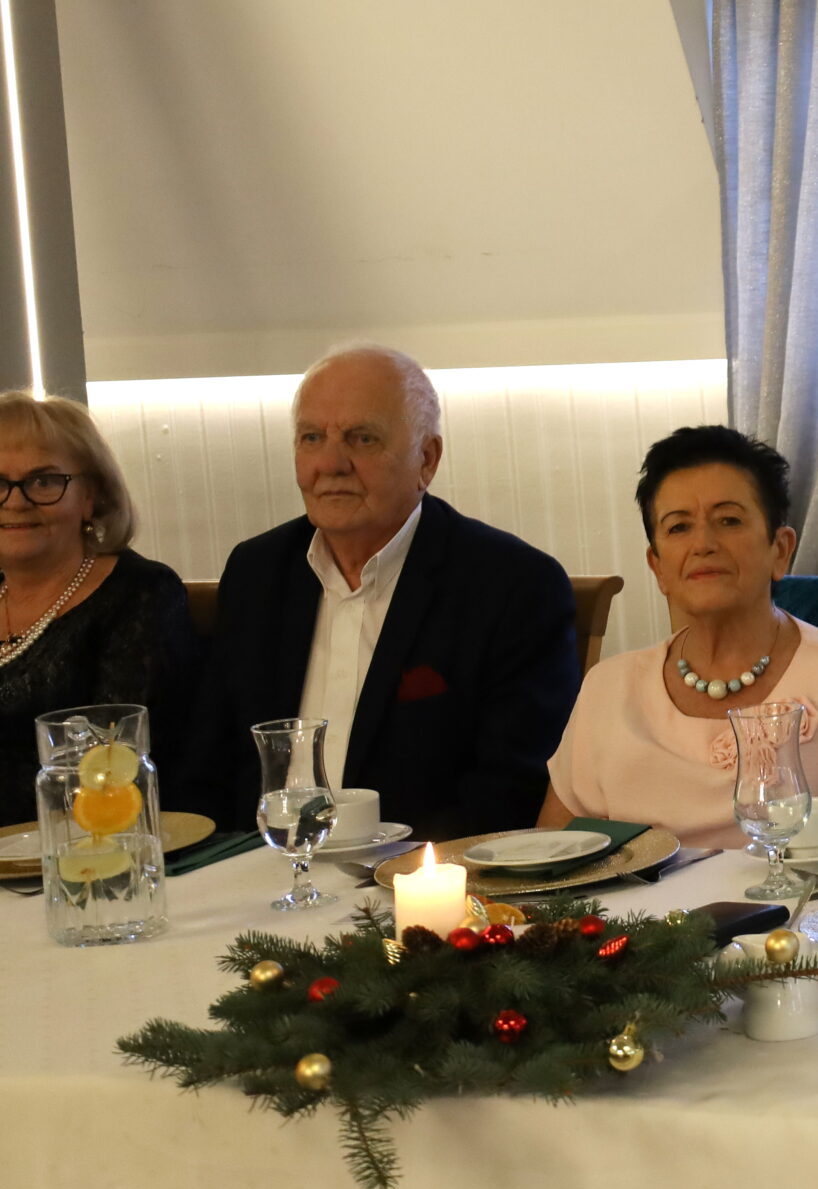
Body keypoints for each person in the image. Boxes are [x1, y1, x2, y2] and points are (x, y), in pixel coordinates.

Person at [191, 345, 580, 841]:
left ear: (426, 459)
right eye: (312, 438)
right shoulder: (256, 573)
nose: (331, 463)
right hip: (259, 867)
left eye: (362, 438)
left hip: (417, 870)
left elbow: (510, 791)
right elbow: (206, 764)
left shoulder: (512, 585)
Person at [541, 426, 818, 849]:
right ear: (658, 567)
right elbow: (554, 859)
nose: (703, 544)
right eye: (678, 527)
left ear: (780, 550)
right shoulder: (608, 688)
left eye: (729, 520)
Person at [0, 393, 199, 826]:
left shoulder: (142, 594)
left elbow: (116, 771)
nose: (16, 501)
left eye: (44, 481)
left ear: (91, 496)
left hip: (91, 849)